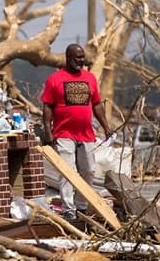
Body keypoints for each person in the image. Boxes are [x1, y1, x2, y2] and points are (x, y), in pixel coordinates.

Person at [41, 43, 111, 220]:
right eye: (78, 58)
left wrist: (106, 127)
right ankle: (68, 209)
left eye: (83, 58)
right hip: (64, 134)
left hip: (86, 133)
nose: (82, 61)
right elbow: (47, 107)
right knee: (67, 171)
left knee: (88, 170)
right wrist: (48, 132)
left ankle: (81, 205)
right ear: (68, 57)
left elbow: (97, 104)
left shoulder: (90, 78)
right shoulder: (54, 79)